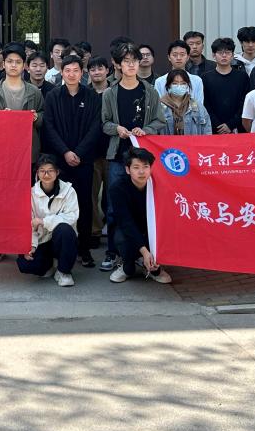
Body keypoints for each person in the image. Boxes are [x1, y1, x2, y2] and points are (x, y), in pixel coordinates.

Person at [100, 43, 166, 272]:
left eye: (134, 61)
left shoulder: (150, 91)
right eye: (126, 61)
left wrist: (145, 129)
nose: (131, 65)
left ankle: (143, 251)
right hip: (118, 155)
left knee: (146, 204)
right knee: (113, 206)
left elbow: (160, 121)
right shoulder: (110, 93)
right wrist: (116, 128)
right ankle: (112, 252)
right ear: (118, 65)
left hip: (142, 157)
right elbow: (104, 123)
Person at [0, 43, 45, 262]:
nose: (13, 65)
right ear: (4, 64)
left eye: (18, 62)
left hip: (28, 154)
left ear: (24, 66)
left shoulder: (34, 92)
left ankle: (24, 241)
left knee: (26, 200)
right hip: (1, 155)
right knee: (0, 199)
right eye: (10, 61)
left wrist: (36, 118)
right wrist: (0, 119)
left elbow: (44, 117)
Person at [43, 55, 102, 267]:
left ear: (82, 72)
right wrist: (65, 152)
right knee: (59, 204)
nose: (71, 74)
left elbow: (96, 127)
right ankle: (60, 249)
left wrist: (78, 152)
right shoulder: (53, 96)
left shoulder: (92, 96)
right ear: (61, 72)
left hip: (84, 160)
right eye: (67, 70)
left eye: (76, 70)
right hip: (60, 161)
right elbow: (49, 127)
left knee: (84, 204)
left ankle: (84, 249)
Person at [108, 147, 172, 284]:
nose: (141, 172)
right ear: (127, 169)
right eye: (136, 167)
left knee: (167, 231)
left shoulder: (160, 186)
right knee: (121, 237)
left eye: (145, 167)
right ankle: (127, 267)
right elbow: (125, 222)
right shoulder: (117, 188)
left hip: (152, 228)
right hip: (128, 228)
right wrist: (144, 252)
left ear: (151, 168)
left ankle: (153, 267)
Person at [17, 155, 79, 287]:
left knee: (65, 229)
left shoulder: (69, 191)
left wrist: (44, 221)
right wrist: (31, 246)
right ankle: (49, 265)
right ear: (37, 173)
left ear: (57, 172)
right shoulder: (31, 193)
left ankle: (63, 271)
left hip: (61, 238)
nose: (46, 175)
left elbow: (72, 216)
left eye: (50, 170)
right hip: (41, 239)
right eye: (42, 171)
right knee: (25, 264)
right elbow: (28, 223)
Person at [86, 56, 113, 247]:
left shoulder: (115, 92)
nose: (97, 72)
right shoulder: (85, 93)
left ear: (107, 70)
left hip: (112, 152)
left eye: (100, 68)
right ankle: (95, 231)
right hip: (91, 153)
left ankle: (113, 230)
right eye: (93, 69)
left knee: (112, 195)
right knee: (92, 195)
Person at [202, 37, 251, 134]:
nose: (224, 55)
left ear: (232, 55)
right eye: (220, 53)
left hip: (238, 128)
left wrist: (231, 124)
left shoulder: (242, 76)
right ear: (213, 55)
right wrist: (217, 125)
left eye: (228, 53)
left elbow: (246, 103)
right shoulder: (205, 78)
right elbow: (205, 104)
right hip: (213, 129)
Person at [159, 69, 212, 135]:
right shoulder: (159, 107)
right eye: (175, 83)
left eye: (183, 83)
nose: (179, 86)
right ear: (169, 85)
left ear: (187, 85)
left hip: (192, 141)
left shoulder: (198, 107)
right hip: (167, 141)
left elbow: (207, 131)